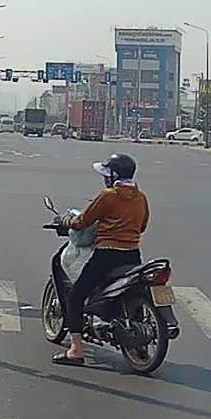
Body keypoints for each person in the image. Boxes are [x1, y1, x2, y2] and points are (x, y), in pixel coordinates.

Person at [53, 153, 150, 366]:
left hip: (107, 254)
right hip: (132, 254)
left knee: (76, 296)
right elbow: (142, 225)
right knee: (132, 292)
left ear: (114, 176)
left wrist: (67, 221)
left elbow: (83, 220)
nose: (104, 178)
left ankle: (76, 350)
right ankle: (138, 342)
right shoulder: (141, 197)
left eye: (107, 174)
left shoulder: (109, 196)